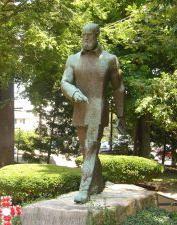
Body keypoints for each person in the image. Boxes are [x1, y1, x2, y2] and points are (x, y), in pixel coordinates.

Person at [61, 23, 126, 203]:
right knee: (87, 151)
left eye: (89, 35)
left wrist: (121, 115)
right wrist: (73, 92)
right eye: (83, 35)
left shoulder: (110, 59)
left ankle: (84, 190)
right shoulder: (72, 59)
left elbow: (118, 87)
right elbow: (65, 81)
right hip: (80, 109)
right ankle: (97, 185)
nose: (86, 39)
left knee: (90, 149)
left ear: (97, 35)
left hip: (98, 108)